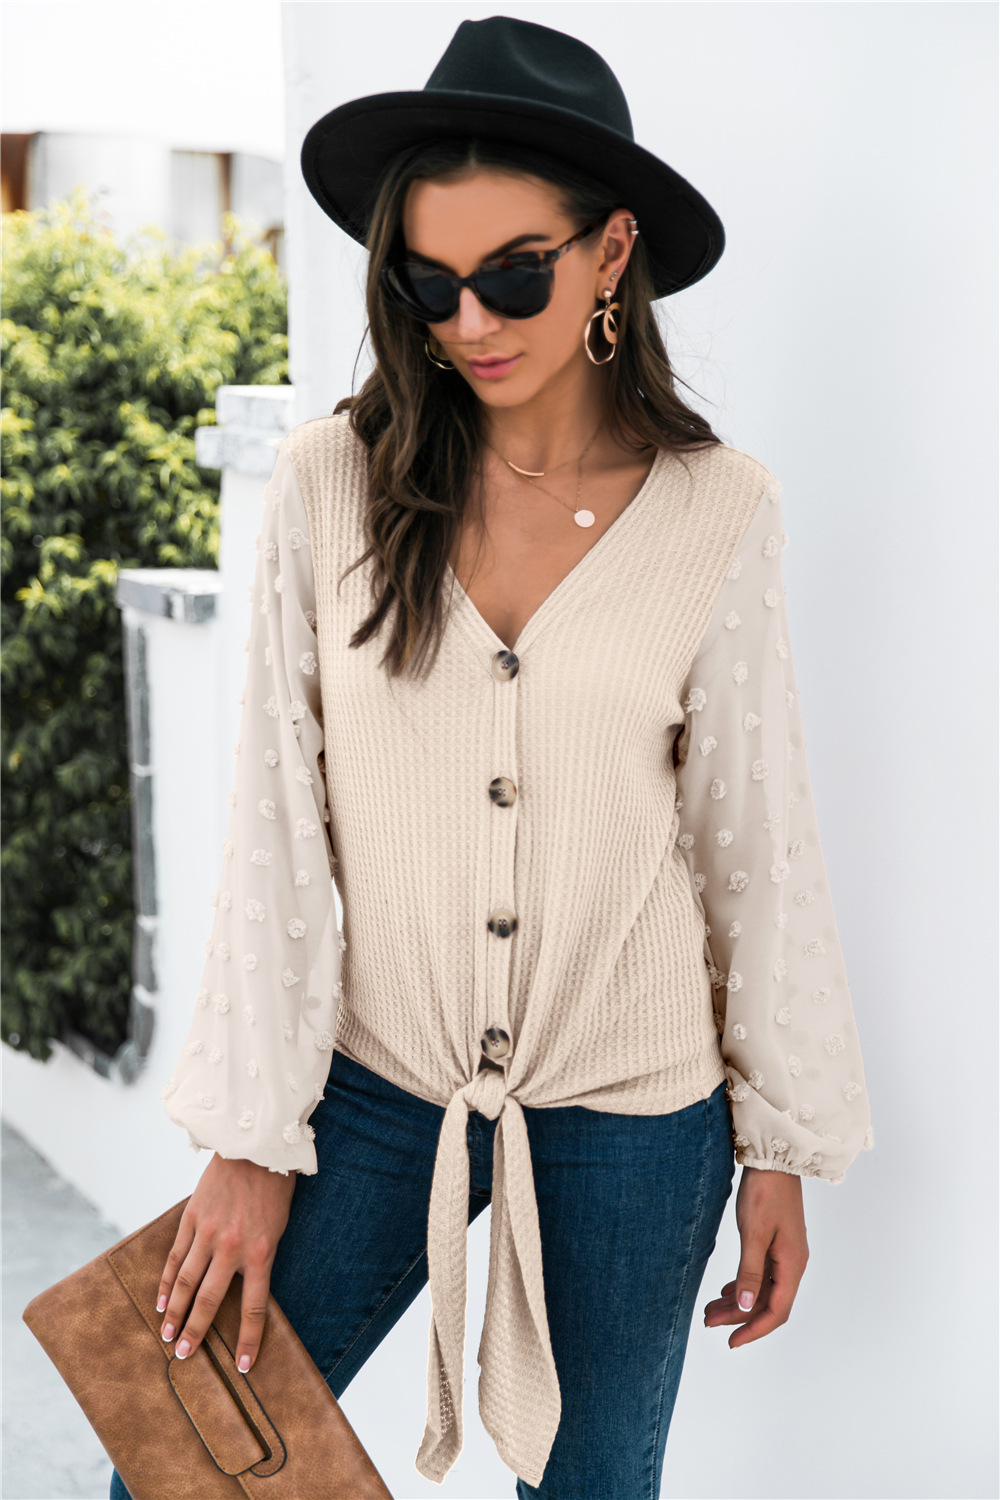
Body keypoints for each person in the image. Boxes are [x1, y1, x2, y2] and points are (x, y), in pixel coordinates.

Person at [109, 17, 873, 1500]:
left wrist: (779, 1142)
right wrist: (252, 1136)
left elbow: (753, 838)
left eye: (514, 274)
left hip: (637, 1115)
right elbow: (274, 817)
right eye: (428, 282)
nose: (469, 321)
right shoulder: (333, 482)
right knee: (179, 1461)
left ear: (612, 253)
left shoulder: (720, 508)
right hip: (373, 1086)